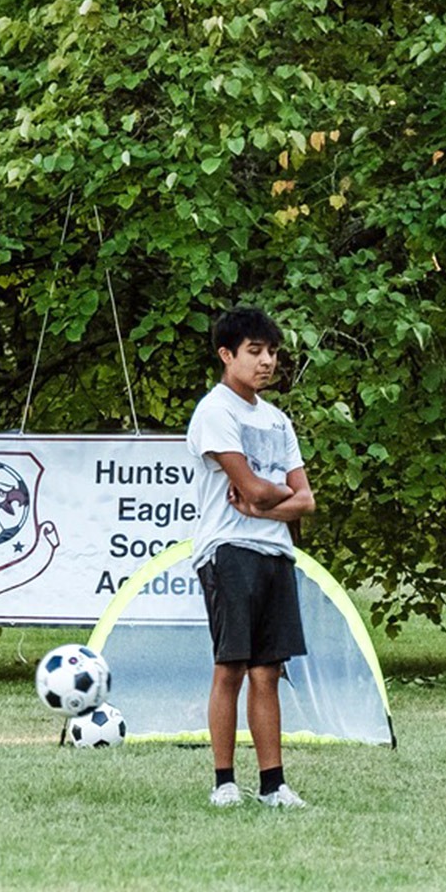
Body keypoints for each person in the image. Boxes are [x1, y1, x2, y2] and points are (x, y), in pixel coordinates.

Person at [186, 307, 317, 809]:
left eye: (273, 352)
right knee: (231, 667)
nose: (267, 362)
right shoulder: (215, 412)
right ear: (227, 355)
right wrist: (270, 499)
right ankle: (224, 781)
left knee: (269, 671)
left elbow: (304, 499)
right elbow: (250, 487)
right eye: (255, 352)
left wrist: (267, 504)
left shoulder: (277, 419)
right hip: (228, 551)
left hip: (274, 553)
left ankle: (273, 784)